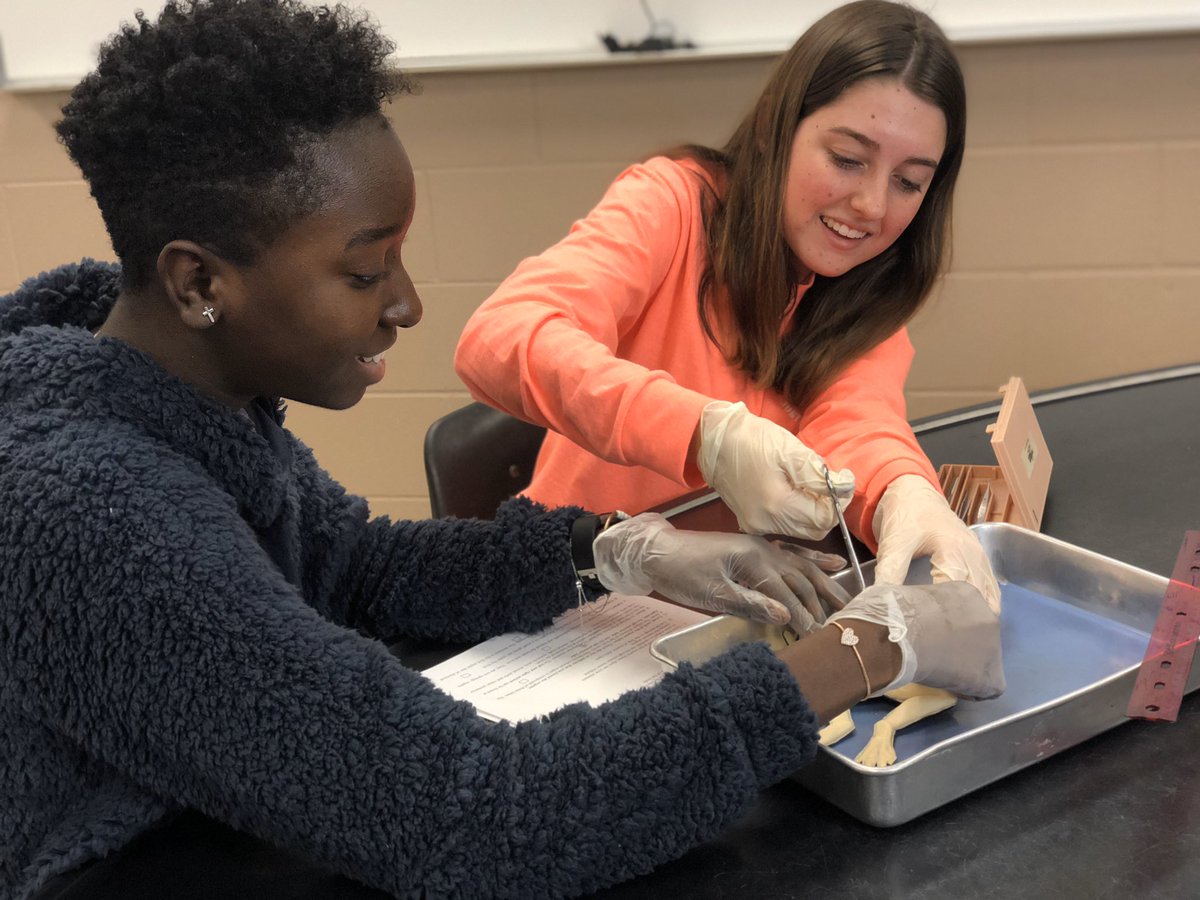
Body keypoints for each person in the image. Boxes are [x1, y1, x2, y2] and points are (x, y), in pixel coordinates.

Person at [0, 2, 1003, 898]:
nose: (406, 304)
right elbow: (477, 814)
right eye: (366, 272)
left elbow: (347, 565)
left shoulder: (183, 392)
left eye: (909, 180)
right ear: (199, 285)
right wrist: (865, 650)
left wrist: (614, 553)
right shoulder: (93, 518)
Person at [454, 0, 1000, 613]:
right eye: (847, 159)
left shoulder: (871, 287)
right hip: (581, 594)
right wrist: (703, 434)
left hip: (722, 614)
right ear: (774, 131)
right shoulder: (672, 205)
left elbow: (857, 423)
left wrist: (903, 490)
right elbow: (500, 338)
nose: (872, 205)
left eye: (908, 182)